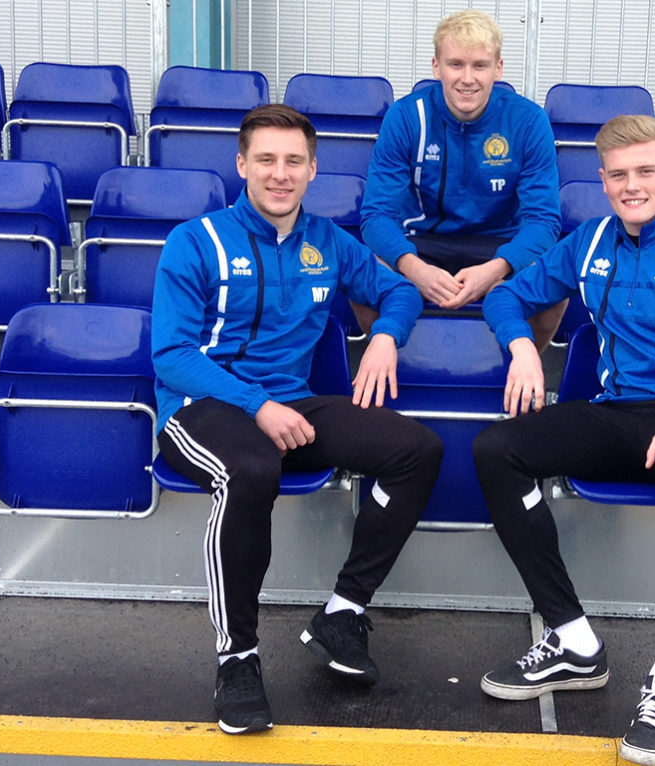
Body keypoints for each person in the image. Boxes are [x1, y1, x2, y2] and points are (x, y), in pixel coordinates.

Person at [472, 114, 655, 766]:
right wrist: (522, 347)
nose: (632, 186)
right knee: (498, 451)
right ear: (604, 181)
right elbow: (506, 296)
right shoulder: (591, 240)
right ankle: (573, 640)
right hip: (621, 413)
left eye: (645, 172)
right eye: (618, 175)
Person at [151, 104, 442, 735]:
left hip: (291, 404)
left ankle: (342, 612)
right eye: (265, 160)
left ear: (313, 169)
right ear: (242, 165)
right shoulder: (195, 241)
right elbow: (171, 356)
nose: (279, 175)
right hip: (202, 412)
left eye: (293, 162)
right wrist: (257, 406)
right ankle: (238, 658)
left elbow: (399, 290)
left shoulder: (329, 242)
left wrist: (387, 336)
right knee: (251, 469)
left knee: (416, 449)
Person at [359, 8, 566, 350]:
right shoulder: (406, 117)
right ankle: (391, 364)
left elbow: (544, 221)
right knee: (362, 274)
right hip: (423, 241)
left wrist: (498, 267)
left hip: (500, 243)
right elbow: (376, 215)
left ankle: (527, 371)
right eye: (456, 64)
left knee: (556, 279)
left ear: (498, 69)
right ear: (436, 66)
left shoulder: (529, 121)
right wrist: (414, 268)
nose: (467, 78)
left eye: (479, 66)